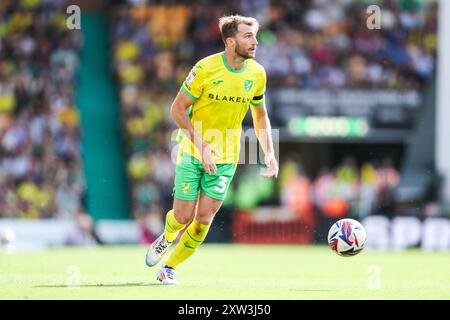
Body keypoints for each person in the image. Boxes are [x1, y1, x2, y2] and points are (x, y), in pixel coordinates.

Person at [145, 14, 279, 285]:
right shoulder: (205, 69)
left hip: (226, 159)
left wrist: (269, 152)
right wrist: (201, 144)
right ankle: (167, 236)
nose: (254, 42)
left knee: (203, 218)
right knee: (182, 217)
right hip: (193, 152)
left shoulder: (257, 74)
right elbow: (177, 109)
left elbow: (260, 116)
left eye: (254, 36)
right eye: (247, 36)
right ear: (230, 42)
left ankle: (169, 267)